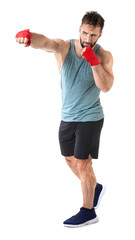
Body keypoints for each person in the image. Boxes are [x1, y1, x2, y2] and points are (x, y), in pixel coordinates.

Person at [16, 11, 114, 228]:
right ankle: (94, 187)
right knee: (69, 158)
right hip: (67, 116)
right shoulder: (64, 48)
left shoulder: (104, 55)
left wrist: (94, 63)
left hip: (91, 117)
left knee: (83, 162)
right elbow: (46, 43)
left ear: (100, 35)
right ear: (80, 29)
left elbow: (106, 86)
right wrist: (30, 37)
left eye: (94, 35)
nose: (88, 39)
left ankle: (89, 212)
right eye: (86, 33)